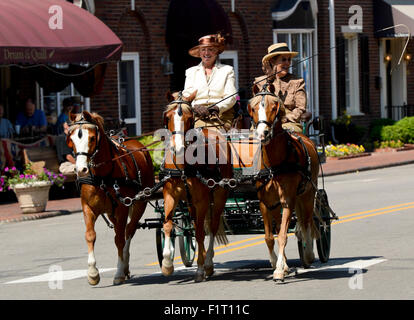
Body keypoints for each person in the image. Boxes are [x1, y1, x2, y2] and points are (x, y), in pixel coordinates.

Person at [182, 33, 237, 130]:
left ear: (216, 52)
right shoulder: (191, 72)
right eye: (203, 50)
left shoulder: (227, 70)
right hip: (198, 116)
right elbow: (187, 96)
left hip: (222, 116)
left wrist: (217, 108)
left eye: (210, 49)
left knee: (217, 139)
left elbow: (231, 97)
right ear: (199, 53)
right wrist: (195, 107)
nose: (206, 53)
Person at [254, 42, 307, 133]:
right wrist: (270, 80)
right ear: (272, 62)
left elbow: (300, 108)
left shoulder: (297, 81)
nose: (287, 63)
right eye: (283, 60)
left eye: (289, 60)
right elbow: (259, 105)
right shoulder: (259, 82)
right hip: (264, 123)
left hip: (289, 124)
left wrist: (286, 118)